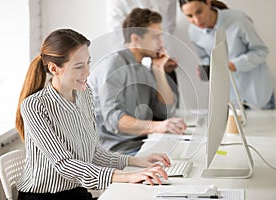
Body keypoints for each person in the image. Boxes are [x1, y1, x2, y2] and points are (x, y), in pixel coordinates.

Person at [15, 28, 172, 200]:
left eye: (88, 63)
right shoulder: (34, 106)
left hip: (75, 192)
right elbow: (64, 164)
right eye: (78, 66)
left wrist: (138, 161)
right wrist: (129, 177)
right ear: (54, 69)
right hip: (43, 197)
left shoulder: (84, 94)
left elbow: (95, 153)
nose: (88, 72)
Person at [88, 8, 187, 155]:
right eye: (156, 37)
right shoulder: (112, 66)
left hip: (142, 145)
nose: (161, 43)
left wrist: (158, 69)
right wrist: (158, 127)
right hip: (116, 153)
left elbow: (166, 111)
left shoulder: (144, 70)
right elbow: (113, 121)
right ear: (135, 39)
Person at [179, 0, 275, 109]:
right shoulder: (193, 32)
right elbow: (205, 57)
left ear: (208, 3)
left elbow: (261, 51)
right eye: (189, 16)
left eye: (199, 12)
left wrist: (234, 65)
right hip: (231, 99)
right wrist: (206, 68)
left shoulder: (239, 20)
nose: (196, 20)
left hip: (257, 94)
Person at [106, 0, 179, 105]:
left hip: (162, 64)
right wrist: (142, 64)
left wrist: (161, 62)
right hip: (133, 68)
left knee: (170, 113)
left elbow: (169, 26)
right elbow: (118, 38)